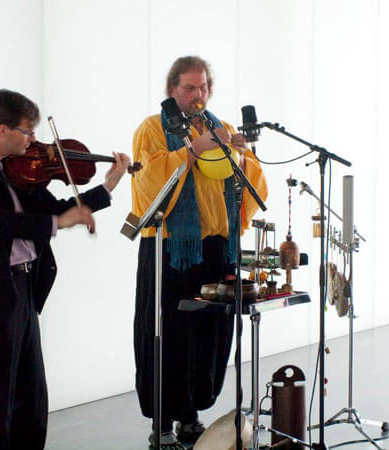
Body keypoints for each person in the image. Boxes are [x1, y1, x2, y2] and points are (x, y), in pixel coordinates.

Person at [0, 89, 130, 450]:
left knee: (31, 397)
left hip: (26, 288)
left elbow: (59, 207)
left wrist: (107, 187)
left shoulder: (18, 173)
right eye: (27, 132)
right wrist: (58, 224)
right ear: (3, 130)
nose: (34, 141)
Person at [131, 56, 268, 447]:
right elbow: (149, 183)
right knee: (168, 336)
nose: (198, 95)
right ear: (172, 88)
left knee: (208, 335)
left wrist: (241, 154)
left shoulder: (219, 126)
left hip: (215, 249)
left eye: (204, 87)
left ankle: (191, 416)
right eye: (190, 87)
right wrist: (191, 151)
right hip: (172, 248)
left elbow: (251, 184)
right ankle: (161, 424)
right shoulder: (152, 129)